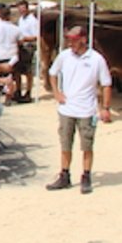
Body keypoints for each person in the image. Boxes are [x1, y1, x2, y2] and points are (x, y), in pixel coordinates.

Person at [45, 26, 113, 194]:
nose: (70, 43)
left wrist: (105, 107)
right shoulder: (64, 56)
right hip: (67, 108)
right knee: (65, 144)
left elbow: (106, 84)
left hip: (86, 109)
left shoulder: (96, 59)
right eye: (69, 40)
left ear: (83, 39)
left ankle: (86, 175)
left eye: (74, 40)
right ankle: (64, 174)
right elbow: (52, 73)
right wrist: (56, 92)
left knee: (87, 145)